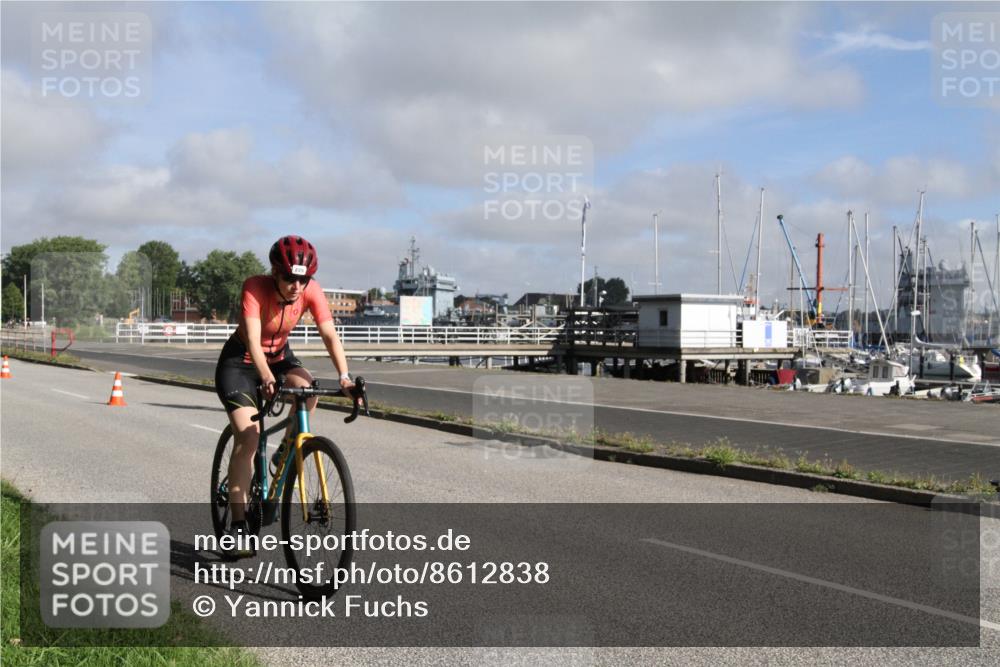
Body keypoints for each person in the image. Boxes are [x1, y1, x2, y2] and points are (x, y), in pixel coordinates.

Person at [214, 235, 353, 558]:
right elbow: (251, 339)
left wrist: (344, 377)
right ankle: (237, 527)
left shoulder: (311, 291)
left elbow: (329, 334)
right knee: (249, 438)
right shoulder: (254, 287)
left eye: (303, 279)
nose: (296, 285)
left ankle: (285, 454)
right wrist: (264, 376)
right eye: (289, 278)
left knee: (309, 389)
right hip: (240, 363)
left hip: (279, 357)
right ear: (275, 273)